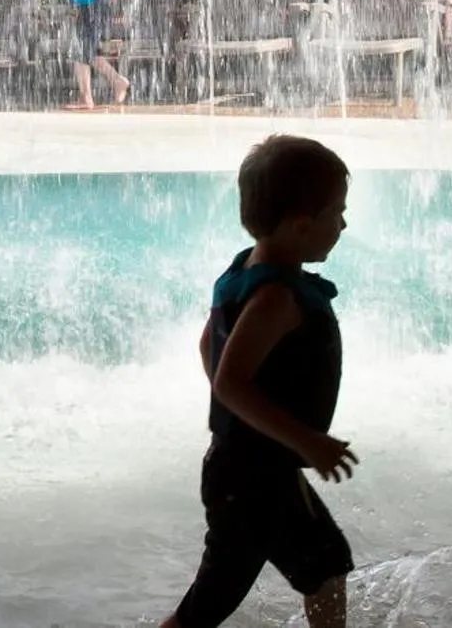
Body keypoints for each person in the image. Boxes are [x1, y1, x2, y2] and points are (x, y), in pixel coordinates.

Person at [163, 134, 356, 628]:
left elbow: (209, 345)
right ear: (301, 225)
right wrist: (306, 442)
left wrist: (253, 430)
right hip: (250, 481)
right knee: (208, 603)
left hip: (256, 469)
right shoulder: (276, 299)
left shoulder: (244, 270)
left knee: (327, 567)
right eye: (337, 213)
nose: (343, 223)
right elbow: (230, 383)